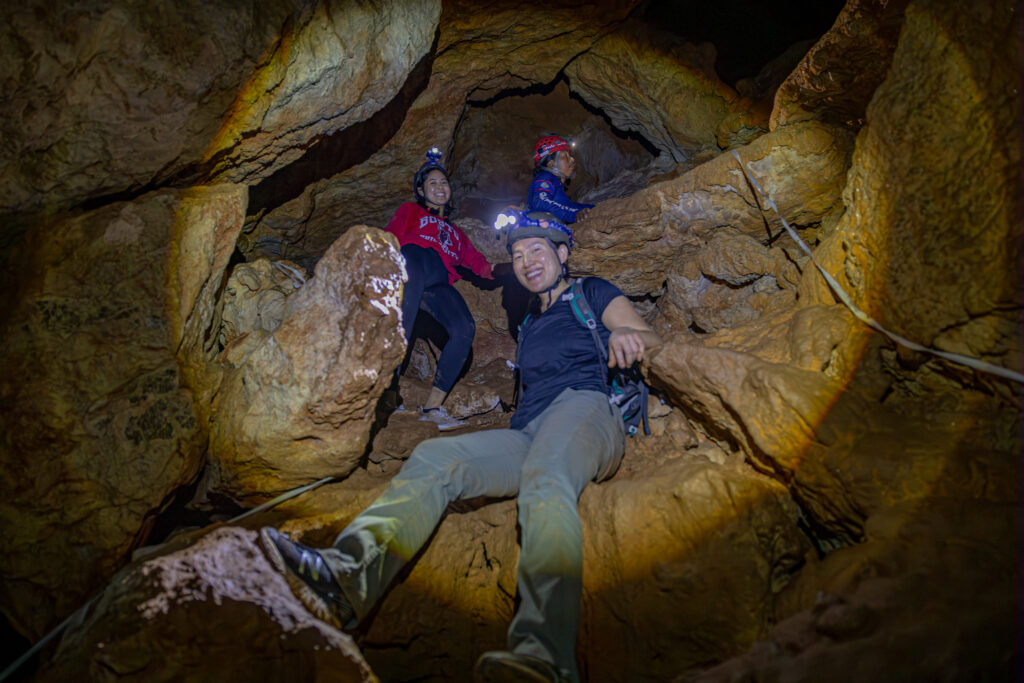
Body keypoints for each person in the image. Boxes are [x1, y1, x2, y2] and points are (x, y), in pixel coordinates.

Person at [260, 212, 662, 683]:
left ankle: (545, 659)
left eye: (537, 251)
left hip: (587, 409)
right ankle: (347, 578)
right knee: (434, 459)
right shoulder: (529, 325)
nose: (527, 261)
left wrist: (626, 334)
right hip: (529, 432)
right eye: (517, 256)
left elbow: (647, 335)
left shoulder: (589, 293)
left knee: (547, 476)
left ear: (562, 254)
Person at [385, 147, 495, 429]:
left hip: (438, 280)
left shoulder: (457, 235)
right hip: (411, 264)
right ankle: (386, 398)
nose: (439, 187)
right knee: (402, 323)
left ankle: (433, 407)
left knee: (464, 328)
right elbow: (390, 237)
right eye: (431, 183)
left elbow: (477, 263)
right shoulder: (409, 211)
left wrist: (504, 271)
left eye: (443, 182)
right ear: (421, 191)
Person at [528, 135, 594, 224]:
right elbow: (541, 202)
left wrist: (597, 208)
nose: (572, 160)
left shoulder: (557, 189)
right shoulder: (545, 177)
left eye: (570, 156)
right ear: (551, 164)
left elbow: (569, 206)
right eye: (565, 156)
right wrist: (573, 215)